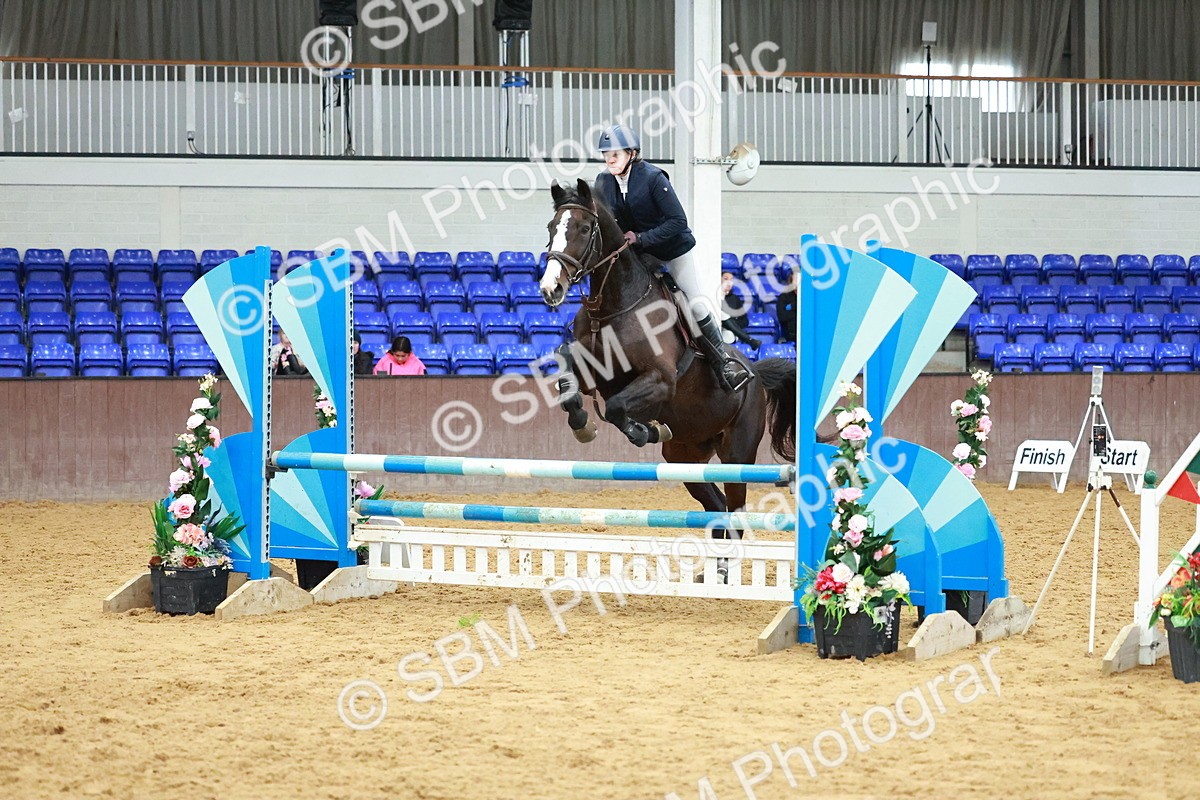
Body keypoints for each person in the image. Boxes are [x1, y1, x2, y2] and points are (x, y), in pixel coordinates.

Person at [592, 124, 751, 393]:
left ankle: (723, 364)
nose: (610, 159)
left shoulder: (654, 178)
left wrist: (641, 238)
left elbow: (678, 221)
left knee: (697, 304)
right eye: (606, 154)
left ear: (632, 153)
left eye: (615, 154)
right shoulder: (603, 182)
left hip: (672, 250)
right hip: (638, 255)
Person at [720, 271, 762, 349]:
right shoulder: (714, 296)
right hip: (714, 328)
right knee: (722, 315)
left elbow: (744, 321)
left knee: (728, 335)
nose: (729, 282)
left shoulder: (735, 299)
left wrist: (732, 323)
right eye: (726, 279)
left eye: (731, 280)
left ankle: (749, 340)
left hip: (728, 332)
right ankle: (749, 340)